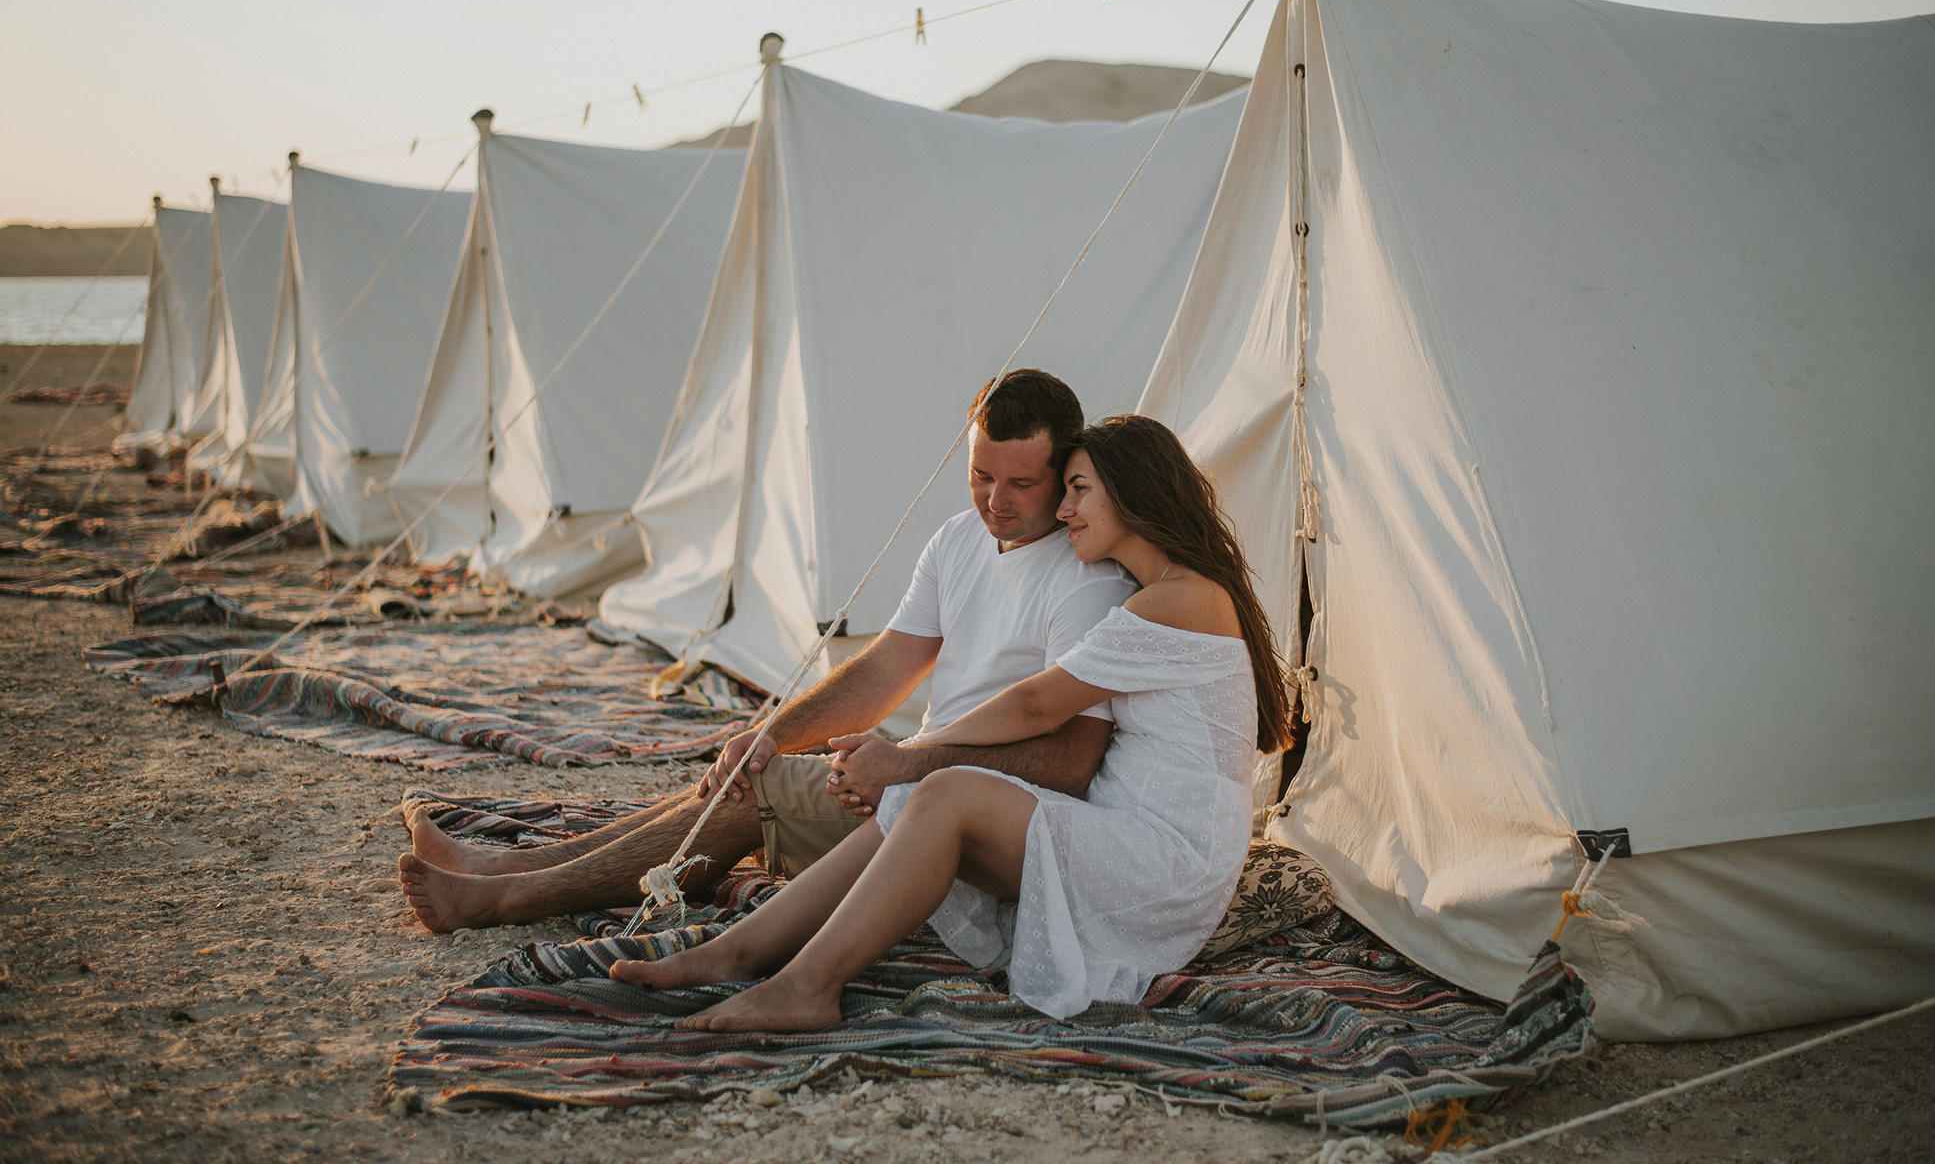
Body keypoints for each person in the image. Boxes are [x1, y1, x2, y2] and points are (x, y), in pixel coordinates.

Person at [606, 415, 1291, 1029]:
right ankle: (737, 952)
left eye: (1079, 489)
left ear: (1132, 493)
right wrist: (904, 767)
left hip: (1168, 860)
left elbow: (1036, 705)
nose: (1065, 507)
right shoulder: (1165, 594)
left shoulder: (1180, 599)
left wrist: (906, 754)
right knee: (922, 793)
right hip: (1132, 836)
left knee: (937, 787)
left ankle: (805, 984)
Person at [396, 369, 1137, 932]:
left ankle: (505, 896)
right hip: (918, 779)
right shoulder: (958, 538)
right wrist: (771, 732)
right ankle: (506, 863)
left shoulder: (1086, 581)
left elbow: (1072, 763)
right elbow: (885, 668)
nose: (994, 500)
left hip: (978, 821)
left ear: (1065, 468)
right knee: (743, 769)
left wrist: (909, 764)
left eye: (1021, 483)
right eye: (979, 474)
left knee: (756, 794)